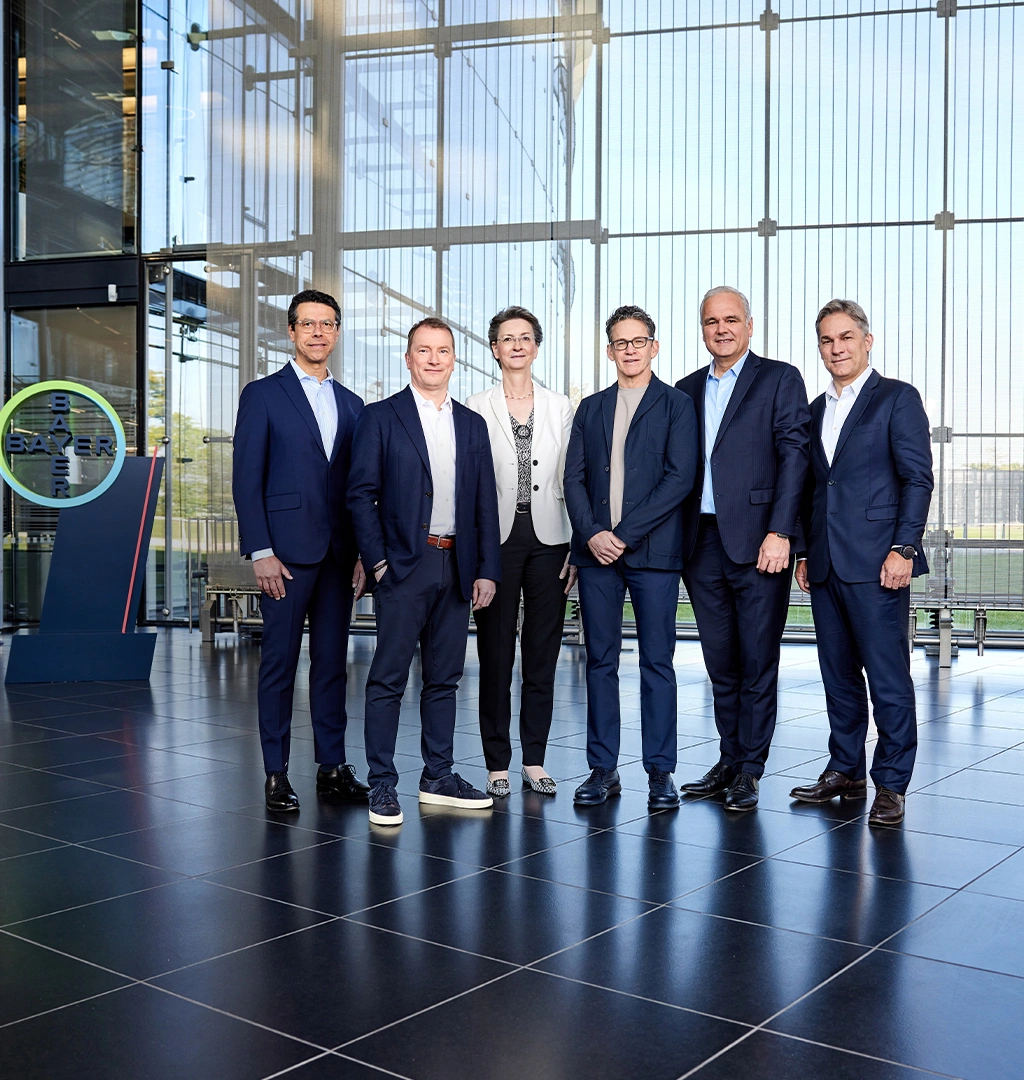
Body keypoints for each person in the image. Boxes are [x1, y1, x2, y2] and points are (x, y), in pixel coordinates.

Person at [348, 317, 502, 826]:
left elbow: (484, 503)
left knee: (444, 679)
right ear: (408, 358)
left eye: (443, 350)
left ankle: (438, 776)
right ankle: (382, 783)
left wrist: (486, 569)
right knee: (388, 679)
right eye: (424, 350)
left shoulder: (472, 424)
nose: (434, 359)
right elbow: (360, 495)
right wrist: (379, 562)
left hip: (456, 565)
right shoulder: (380, 417)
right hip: (403, 566)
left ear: (454, 359)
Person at [791, 299, 933, 826]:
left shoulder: (897, 398)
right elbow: (811, 488)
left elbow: (917, 479)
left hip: (879, 563)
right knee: (838, 676)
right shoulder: (813, 410)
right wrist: (804, 551)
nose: (837, 348)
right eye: (827, 340)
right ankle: (846, 769)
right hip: (826, 563)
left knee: (888, 678)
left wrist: (904, 548)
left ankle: (891, 783)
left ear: (867, 341)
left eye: (846, 337)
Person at [232, 289, 370, 811]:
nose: (317, 332)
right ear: (291, 331)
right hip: (284, 557)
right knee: (280, 664)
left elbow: (358, 488)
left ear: (337, 332)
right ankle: (276, 773)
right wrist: (260, 550)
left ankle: (331, 767)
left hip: (338, 557)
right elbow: (246, 479)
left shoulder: (353, 404)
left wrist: (362, 553)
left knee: (332, 665)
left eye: (327, 323)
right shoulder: (263, 394)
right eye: (307, 323)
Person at [676, 286, 810, 811]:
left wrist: (782, 532)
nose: (722, 329)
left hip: (760, 542)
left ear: (749, 326)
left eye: (731, 319)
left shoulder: (779, 378)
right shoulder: (686, 389)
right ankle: (729, 759)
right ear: (702, 329)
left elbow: (795, 457)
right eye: (712, 321)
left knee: (757, 661)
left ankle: (751, 769)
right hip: (700, 542)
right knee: (720, 662)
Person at [563, 305, 698, 809]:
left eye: (638, 341)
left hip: (653, 554)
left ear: (653, 346)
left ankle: (660, 772)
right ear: (609, 351)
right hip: (596, 555)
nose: (630, 350)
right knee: (599, 662)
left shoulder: (677, 405)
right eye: (621, 342)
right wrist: (592, 534)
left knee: (657, 663)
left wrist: (621, 534)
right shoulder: (591, 408)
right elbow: (573, 478)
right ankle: (603, 769)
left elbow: (679, 480)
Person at [466, 307, 576, 798]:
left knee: (542, 654)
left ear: (536, 347)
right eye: (507, 338)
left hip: (552, 540)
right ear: (494, 348)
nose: (516, 345)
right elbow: (470, 482)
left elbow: (572, 477)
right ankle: (497, 764)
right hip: (496, 541)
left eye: (525, 337)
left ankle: (534, 759)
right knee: (494, 654)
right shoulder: (475, 405)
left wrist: (578, 544)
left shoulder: (560, 406)